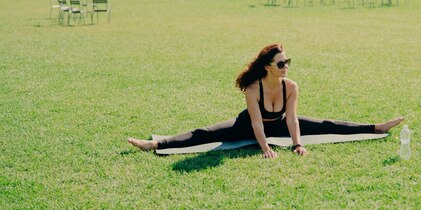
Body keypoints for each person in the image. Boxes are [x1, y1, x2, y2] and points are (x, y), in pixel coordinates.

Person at [128, 44, 403, 158]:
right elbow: (257, 122)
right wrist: (265, 149)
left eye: (288, 62)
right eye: (281, 63)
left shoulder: (291, 86)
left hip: (280, 123)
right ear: (268, 67)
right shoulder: (253, 87)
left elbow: (293, 118)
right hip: (248, 125)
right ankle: (155, 143)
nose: (286, 66)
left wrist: (297, 143)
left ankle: (376, 127)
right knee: (205, 133)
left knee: (325, 124)